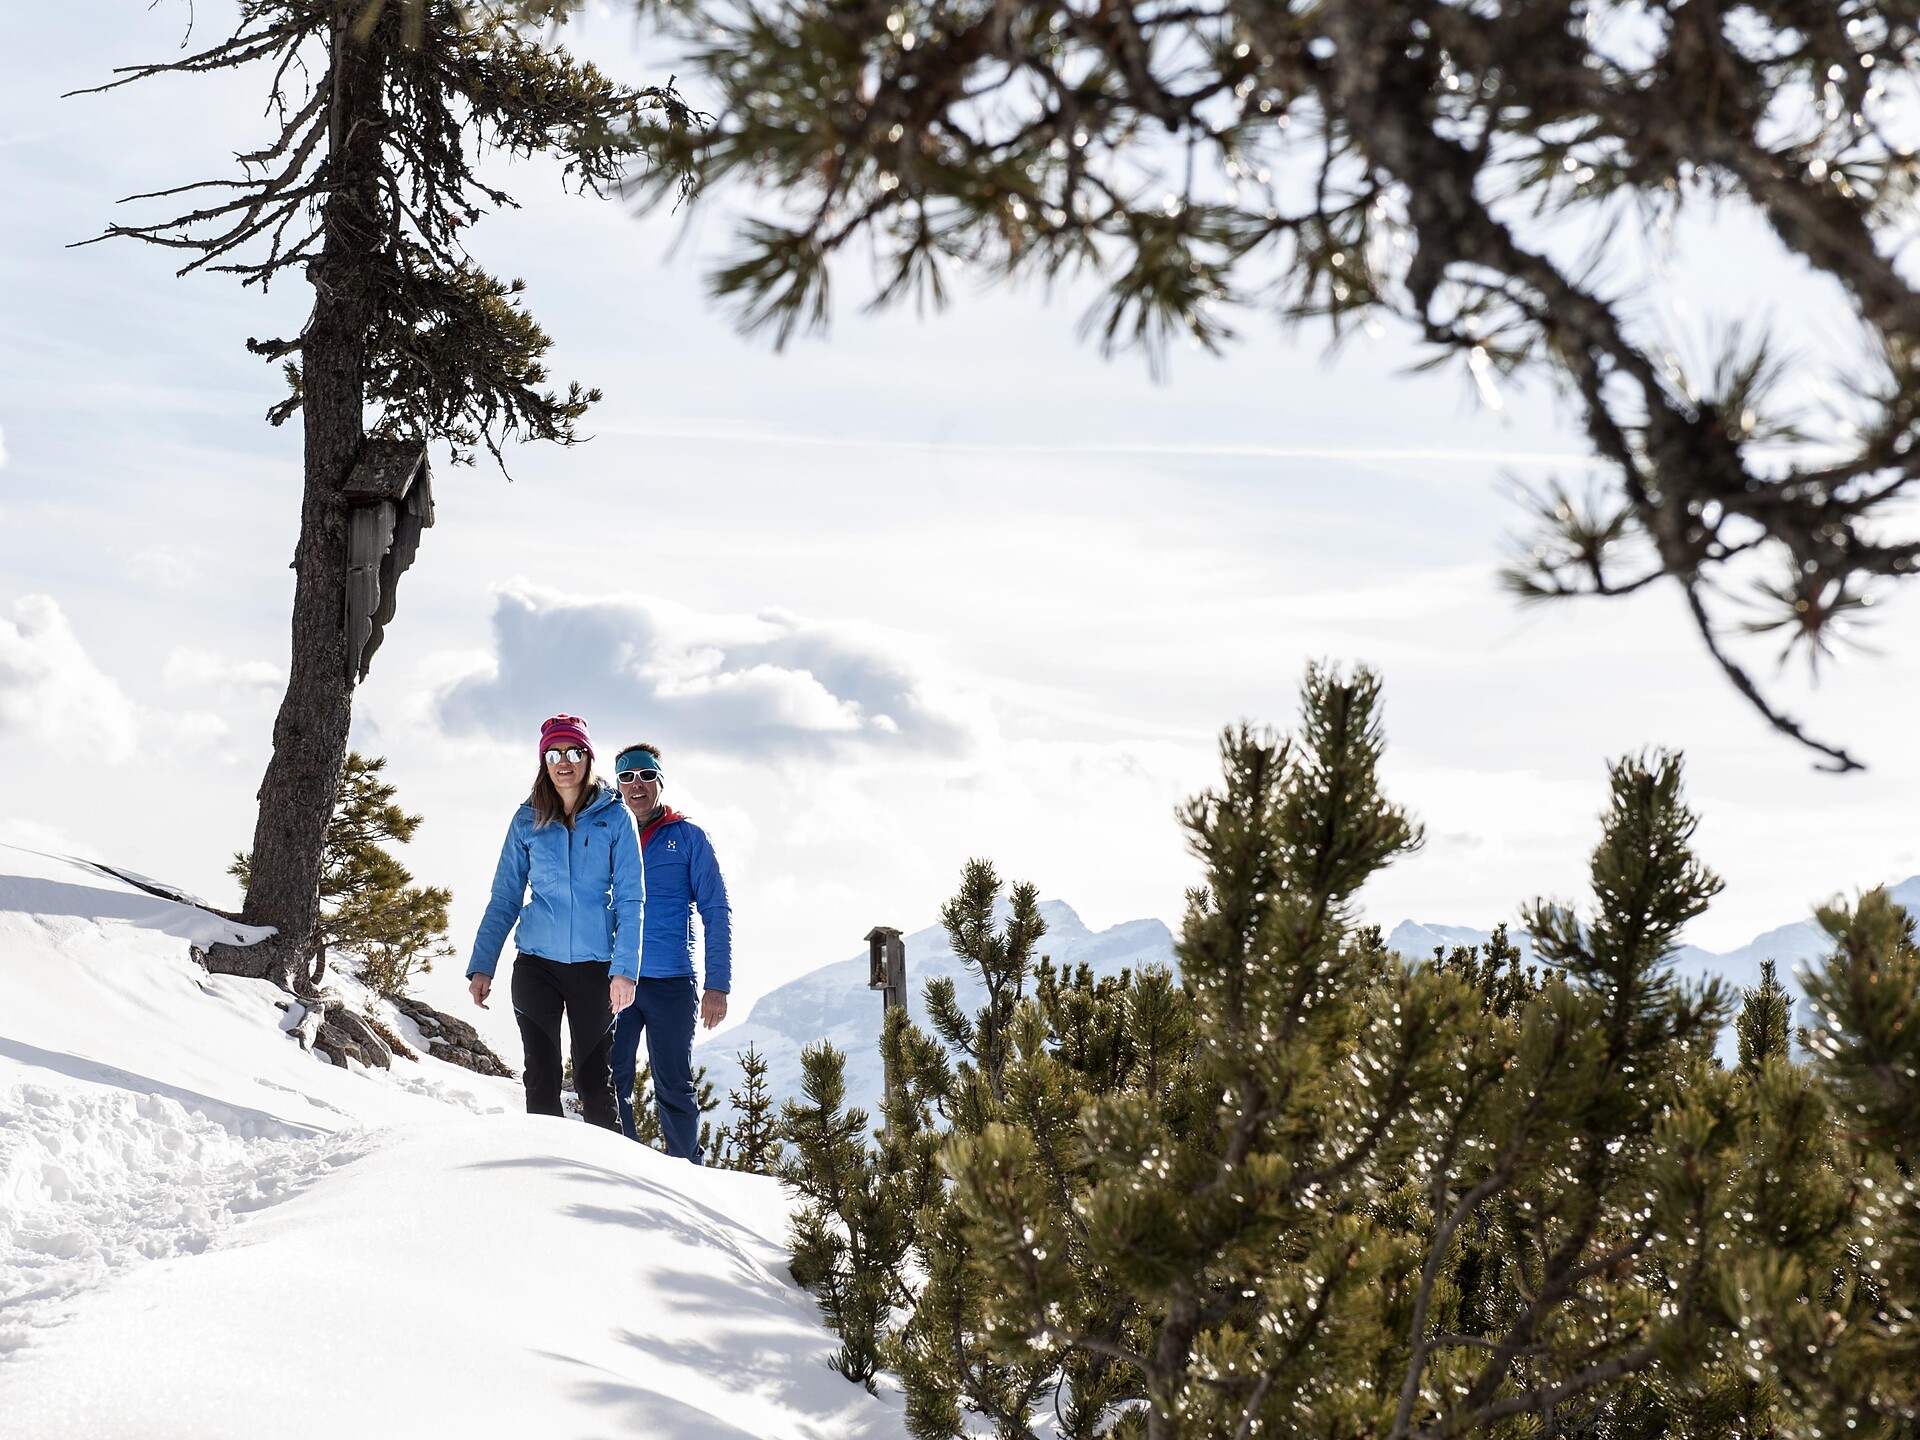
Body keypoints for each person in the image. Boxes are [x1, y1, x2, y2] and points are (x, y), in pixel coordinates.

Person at [467, 714, 643, 1129]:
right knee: (540, 1077)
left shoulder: (615, 817)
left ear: (588, 758)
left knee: (594, 1082)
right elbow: (506, 896)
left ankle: (608, 1179)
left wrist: (624, 971)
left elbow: (633, 899)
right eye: (554, 753)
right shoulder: (526, 819)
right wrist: (481, 964)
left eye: (574, 752)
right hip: (536, 966)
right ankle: (544, 1182)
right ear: (543, 761)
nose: (564, 761)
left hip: (594, 968)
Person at [607, 741, 732, 1160]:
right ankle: (621, 1165)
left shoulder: (690, 838)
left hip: (672, 983)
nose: (636, 785)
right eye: (627, 776)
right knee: (610, 1081)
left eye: (645, 775)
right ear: (617, 784)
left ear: (659, 780)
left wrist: (717, 984)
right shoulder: (606, 834)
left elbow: (715, 909)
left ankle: (689, 1176)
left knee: (674, 1086)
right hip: (613, 980)